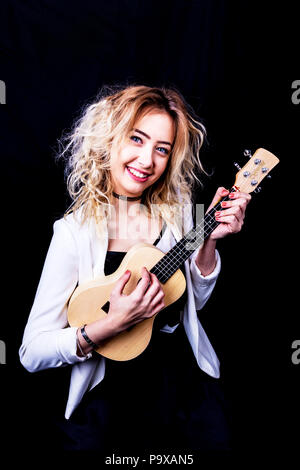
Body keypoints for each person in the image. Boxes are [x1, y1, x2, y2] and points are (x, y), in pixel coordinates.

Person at [19, 84, 250, 452]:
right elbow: (31, 353)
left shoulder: (175, 215)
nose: (147, 161)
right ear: (109, 138)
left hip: (183, 388)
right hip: (110, 400)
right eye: (137, 139)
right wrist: (111, 325)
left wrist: (208, 239)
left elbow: (193, 302)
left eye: (162, 149)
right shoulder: (72, 234)